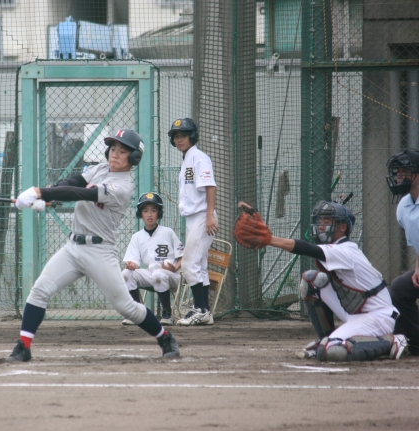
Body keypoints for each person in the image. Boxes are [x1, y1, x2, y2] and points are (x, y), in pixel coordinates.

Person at [7, 128, 180, 362]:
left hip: (99, 252)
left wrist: (38, 191)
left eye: (122, 151)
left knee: (126, 307)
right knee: (40, 290)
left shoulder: (122, 187)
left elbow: (80, 193)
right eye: (113, 149)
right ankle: (23, 346)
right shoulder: (100, 168)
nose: (115, 154)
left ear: (134, 158)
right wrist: (49, 196)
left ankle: (165, 337)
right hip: (73, 248)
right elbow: (72, 182)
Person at [237, 200, 406, 362]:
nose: (321, 225)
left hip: (378, 317)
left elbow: (306, 248)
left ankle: (391, 341)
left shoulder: (345, 250)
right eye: (320, 221)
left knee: (332, 351)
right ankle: (328, 338)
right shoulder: (339, 248)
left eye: (327, 221)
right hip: (355, 313)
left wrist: (271, 240)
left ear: (343, 227)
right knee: (312, 281)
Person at [168, 118, 218, 326]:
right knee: (200, 265)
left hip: (202, 215)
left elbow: (210, 186)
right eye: (176, 136)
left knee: (188, 264)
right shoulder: (188, 158)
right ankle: (204, 311)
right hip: (194, 218)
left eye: (183, 135)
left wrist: (209, 215)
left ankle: (200, 310)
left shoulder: (198, 157)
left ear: (192, 136)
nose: (179, 140)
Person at [121, 191, 184, 326]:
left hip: (173, 276)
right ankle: (137, 313)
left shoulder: (168, 232)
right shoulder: (137, 237)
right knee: (126, 274)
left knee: (158, 274)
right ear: (141, 214)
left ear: (159, 213)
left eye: (153, 210)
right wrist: (131, 265)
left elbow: (183, 257)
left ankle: (167, 314)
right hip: (152, 274)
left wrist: (175, 267)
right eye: (145, 211)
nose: (149, 214)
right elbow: (133, 261)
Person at [386, 149, 419, 356]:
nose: (398, 176)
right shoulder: (404, 206)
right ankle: (415, 343)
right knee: (400, 288)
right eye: (397, 172)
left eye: (404, 171)